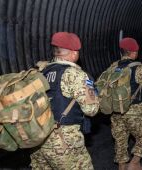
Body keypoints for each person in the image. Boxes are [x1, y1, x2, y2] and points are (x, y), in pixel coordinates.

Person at [30, 32, 99, 169]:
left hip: (38, 137)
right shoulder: (74, 74)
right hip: (64, 140)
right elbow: (91, 110)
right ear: (74, 53)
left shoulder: (41, 72)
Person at [108, 37, 142, 170]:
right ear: (134, 52)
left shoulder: (113, 66)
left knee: (120, 139)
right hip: (135, 110)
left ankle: (122, 166)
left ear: (122, 52)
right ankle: (134, 163)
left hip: (116, 109)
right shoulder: (140, 68)